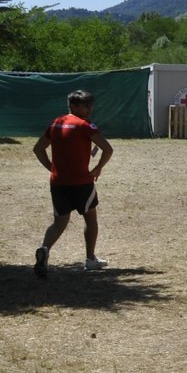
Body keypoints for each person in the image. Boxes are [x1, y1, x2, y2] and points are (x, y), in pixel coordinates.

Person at [32, 89, 113, 278]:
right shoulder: (85, 125)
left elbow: (38, 149)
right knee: (90, 219)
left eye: (91, 105)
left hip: (58, 182)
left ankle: (44, 249)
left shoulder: (56, 123)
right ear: (74, 106)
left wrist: (51, 168)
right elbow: (108, 149)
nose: (90, 109)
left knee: (59, 222)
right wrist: (98, 168)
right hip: (82, 182)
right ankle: (91, 259)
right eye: (86, 105)